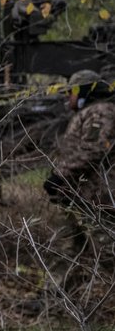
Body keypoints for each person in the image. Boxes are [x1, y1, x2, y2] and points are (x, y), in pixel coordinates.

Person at [44, 70, 115, 256]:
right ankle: (58, 285)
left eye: (71, 92)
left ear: (83, 91)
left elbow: (94, 150)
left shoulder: (101, 112)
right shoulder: (89, 112)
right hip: (78, 194)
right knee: (65, 247)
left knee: (106, 250)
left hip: (97, 196)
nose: (68, 97)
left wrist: (60, 176)